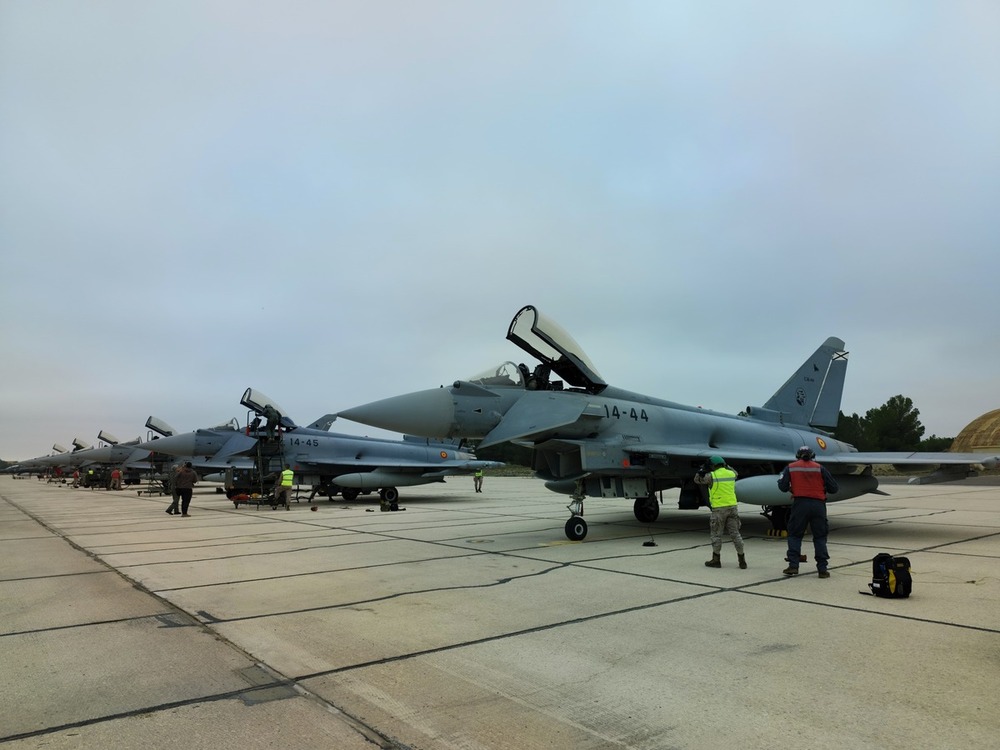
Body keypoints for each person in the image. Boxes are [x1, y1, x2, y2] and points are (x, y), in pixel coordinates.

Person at [777, 446, 839, 577]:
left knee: (794, 535)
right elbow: (834, 488)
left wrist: (792, 488)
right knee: (820, 536)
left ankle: (793, 566)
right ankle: (822, 569)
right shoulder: (820, 468)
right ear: (812, 455)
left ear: (798, 456)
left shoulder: (791, 467)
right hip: (818, 505)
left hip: (800, 505)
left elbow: (782, 487)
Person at [694, 455, 746, 569]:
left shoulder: (711, 476)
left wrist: (701, 470)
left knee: (716, 535)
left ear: (713, 465)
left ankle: (716, 560)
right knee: (736, 534)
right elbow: (735, 472)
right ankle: (742, 560)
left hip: (719, 509)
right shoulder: (731, 474)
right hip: (732, 508)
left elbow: (697, 480)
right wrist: (727, 465)